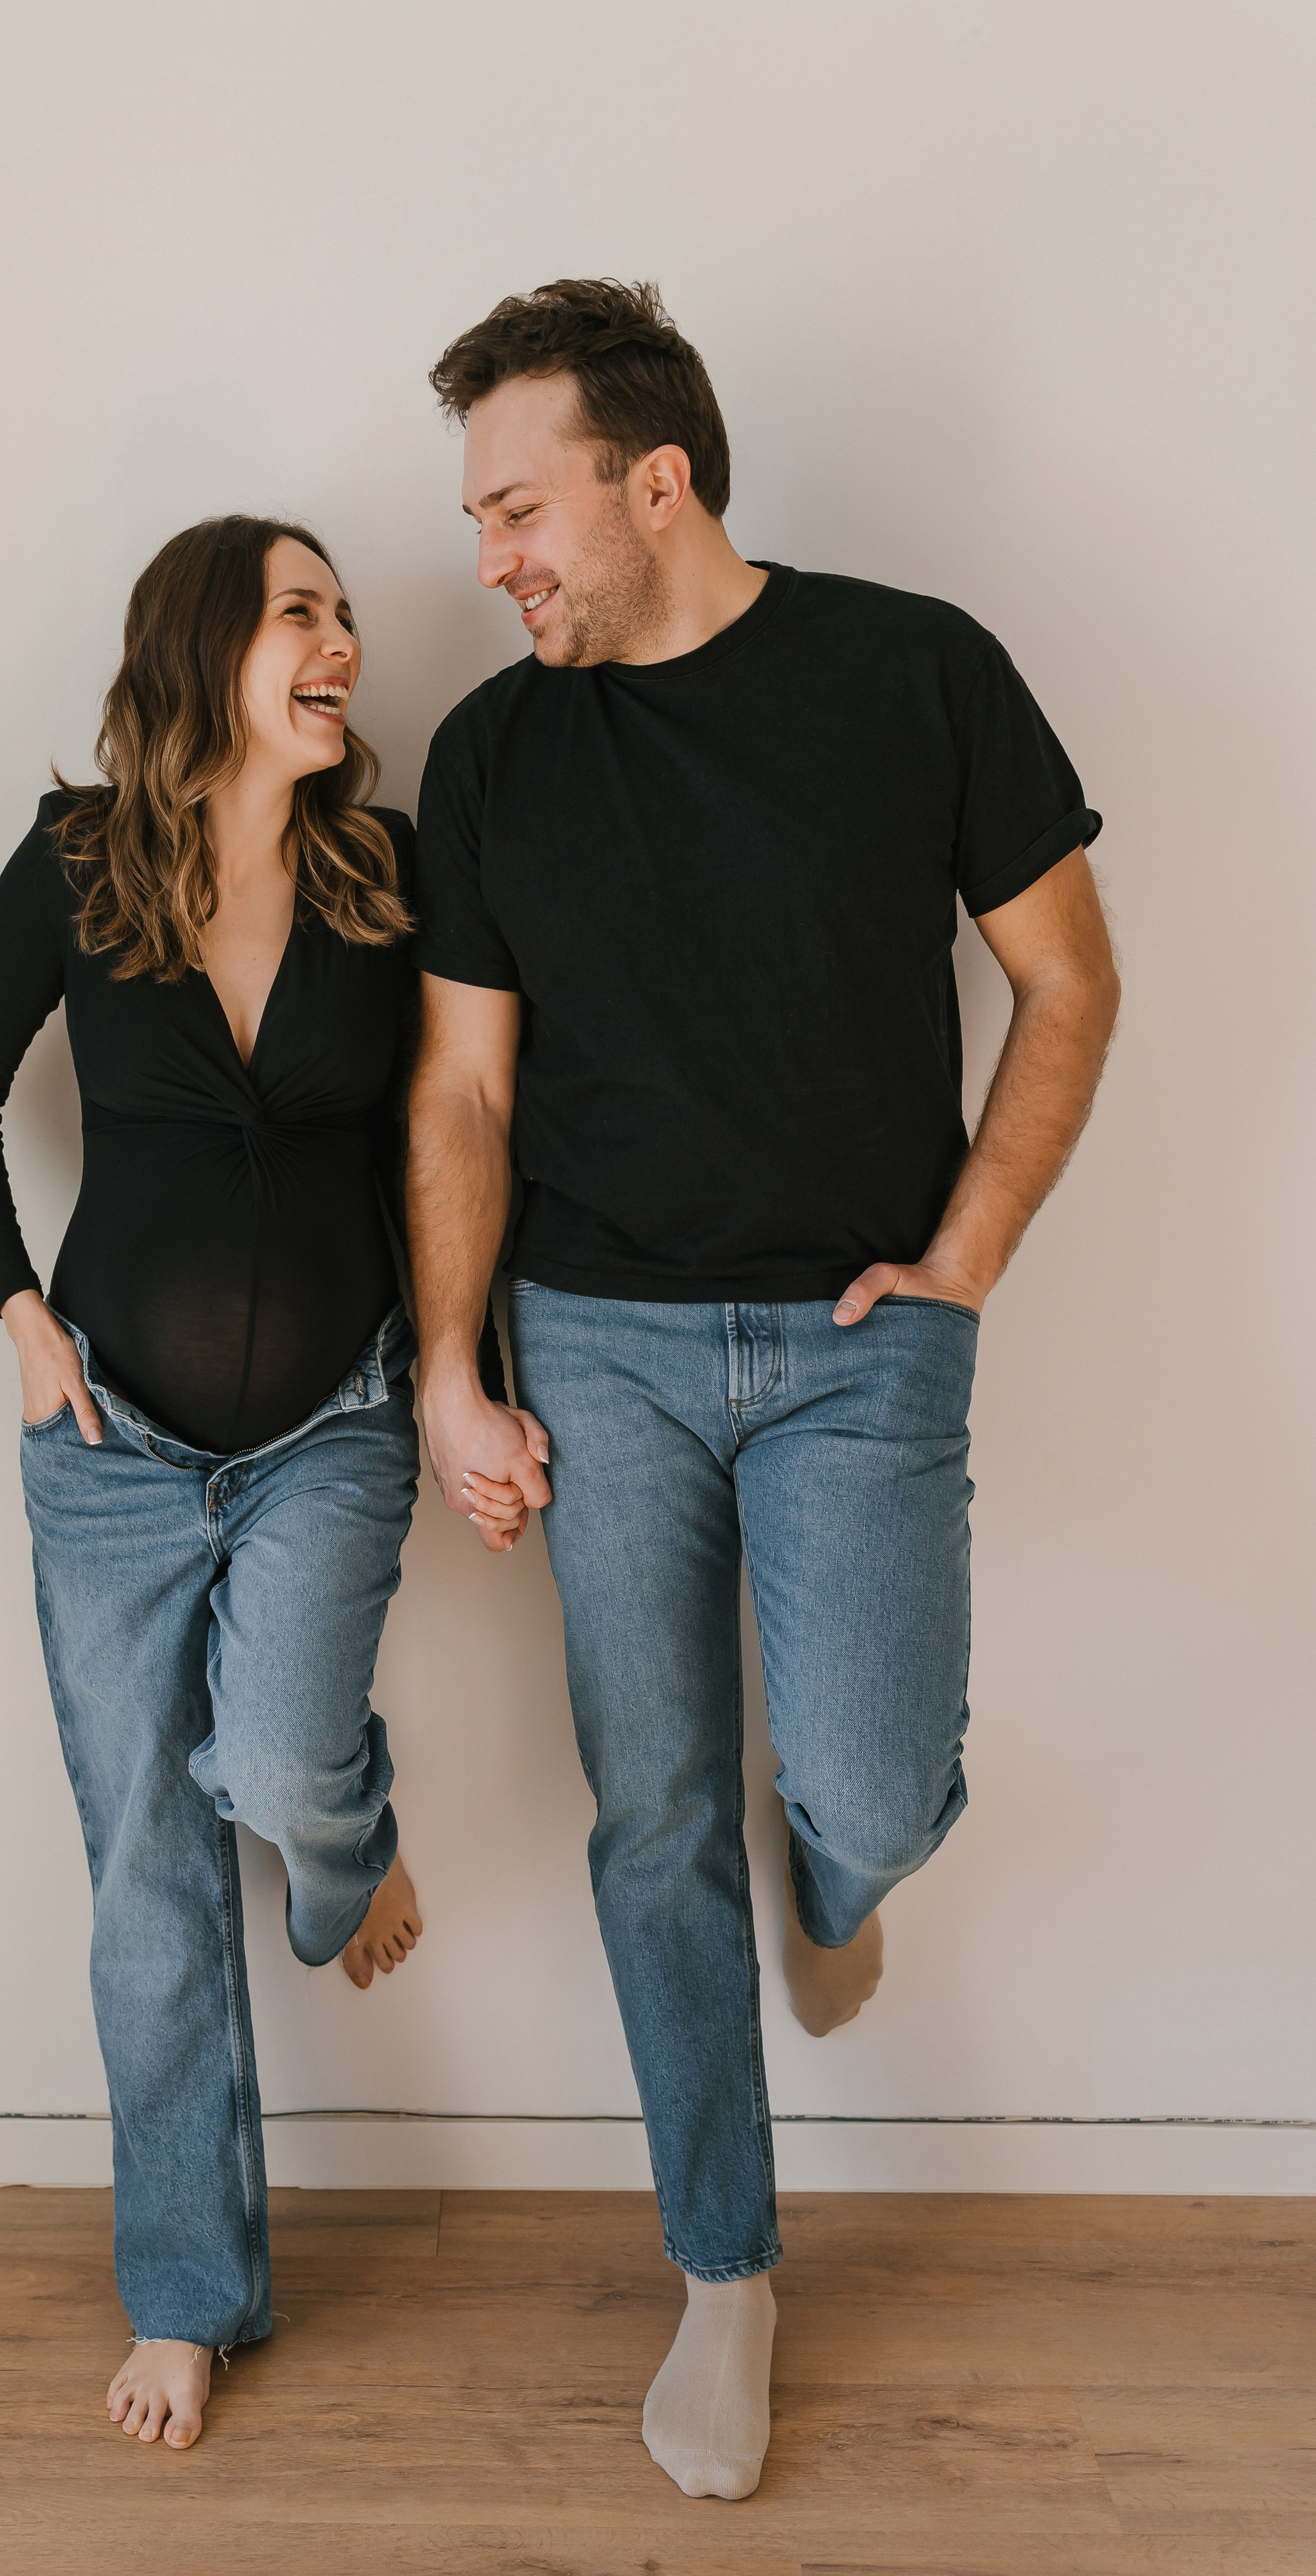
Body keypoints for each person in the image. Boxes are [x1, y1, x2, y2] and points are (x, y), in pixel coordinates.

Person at [406, 279, 1120, 2503]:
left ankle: (842, 1876)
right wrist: (450, 1368)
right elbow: (462, 1091)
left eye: (517, 508)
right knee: (651, 1816)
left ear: (658, 480)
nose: (490, 556)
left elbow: (1069, 982)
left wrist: (961, 1271)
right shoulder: (495, 753)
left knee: (879, 1785)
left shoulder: (918, 671)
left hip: (855, 1344)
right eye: (475, 517)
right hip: (597, 1346)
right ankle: (724, 2272)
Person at [0, 515, 450, 2454]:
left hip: (336, 1422)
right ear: (206, 645)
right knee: (147, 1873)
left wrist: (468, 1368)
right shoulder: (76, 863)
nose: (344, 642)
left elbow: (463, 1122)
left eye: (345, 615)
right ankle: (189, 2297)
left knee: (289, 1760)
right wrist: (20, 1317)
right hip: (109, 1452)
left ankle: (346, 1846)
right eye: (302, 613)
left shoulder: (388, 874)